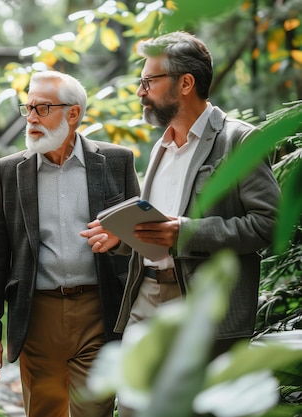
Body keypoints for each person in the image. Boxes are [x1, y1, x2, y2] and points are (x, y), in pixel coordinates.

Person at [81, 31, 281, 416]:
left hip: (206, 308)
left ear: (185, 83)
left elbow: (268, 224)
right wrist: (121, 236)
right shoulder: (160, 146)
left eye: (149, 81)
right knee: (135, 408)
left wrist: (186, 233)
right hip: (146, 298)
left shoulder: (239, 141)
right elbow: (159, 226)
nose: (140, 92)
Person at [0, 70, 140, 417]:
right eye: (28, 108)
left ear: (73, 114)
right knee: (44, 412)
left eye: (42, 108)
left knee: (94, 411)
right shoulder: (9, 171)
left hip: (100, 311)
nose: (31, 118)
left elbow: (137, 237)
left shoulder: (117, 161)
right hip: (37, 315)